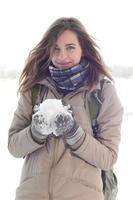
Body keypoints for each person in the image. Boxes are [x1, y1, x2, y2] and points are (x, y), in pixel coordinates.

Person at [8, 17, 123, 200]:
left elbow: (108, 157)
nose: (62, 56)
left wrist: (74, 133)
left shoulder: (102, 92)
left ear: (83, 49)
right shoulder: (35, 90)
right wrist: (36, 132)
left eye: (70, 47)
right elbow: (14, 146)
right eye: (56, 49)